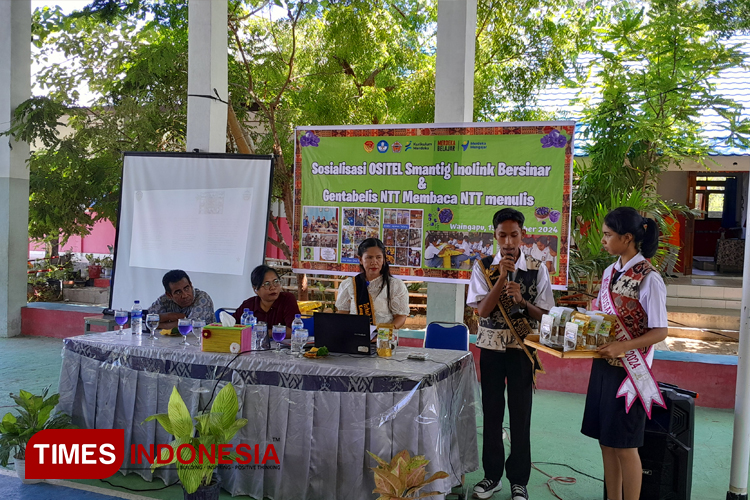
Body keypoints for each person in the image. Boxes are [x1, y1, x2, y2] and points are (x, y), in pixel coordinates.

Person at [466, 208, 554, 500]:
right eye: (502, 235)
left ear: (522, 235)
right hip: (490, 349)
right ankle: (492, 477)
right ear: (495, 235)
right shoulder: (482, 267)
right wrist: (501, 279)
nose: (507, 241)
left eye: (513, 235)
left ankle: (519, 480)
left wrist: (522, 301)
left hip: (521, 350)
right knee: (492, 414)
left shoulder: (537, 268)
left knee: (520, 415)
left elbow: (545, 315)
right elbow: (482, 310)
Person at [582, 207, 668, 500]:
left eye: (608, 235)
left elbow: (660, 331)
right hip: (604, 366)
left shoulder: (649, 278)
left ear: (627, 237)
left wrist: (623, 346)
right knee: (607, 442)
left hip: (631, 372)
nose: (603, 240)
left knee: (625, 445)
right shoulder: (610, 271)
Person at [336, 238, 410, 328]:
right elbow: (342, 315)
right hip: (356, 338)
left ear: (383, 259)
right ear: (360, 259)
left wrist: (381, 334)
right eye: (369, 257)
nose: (374, 262)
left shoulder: (395, 285)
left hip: (384, 339)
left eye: (378, 257)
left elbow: (400, 317)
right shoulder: (349, 285)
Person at [233, 265, 301, 337]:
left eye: (276, 282)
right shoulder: (248, 305)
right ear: (255, 289)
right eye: (267, 284)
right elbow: (230, 326)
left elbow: (294, 331)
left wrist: (261, 332)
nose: (273, 287)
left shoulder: (287, 299)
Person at [148, 270, 215, 329]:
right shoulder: (164, 300)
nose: (185, 295)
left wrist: (157, 324)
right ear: (169, 295)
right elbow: (145, 319)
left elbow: (189, 326)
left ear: (191, 285)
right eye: (178, 292)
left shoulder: (202, 298)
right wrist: (169, 316)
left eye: (186, 288)